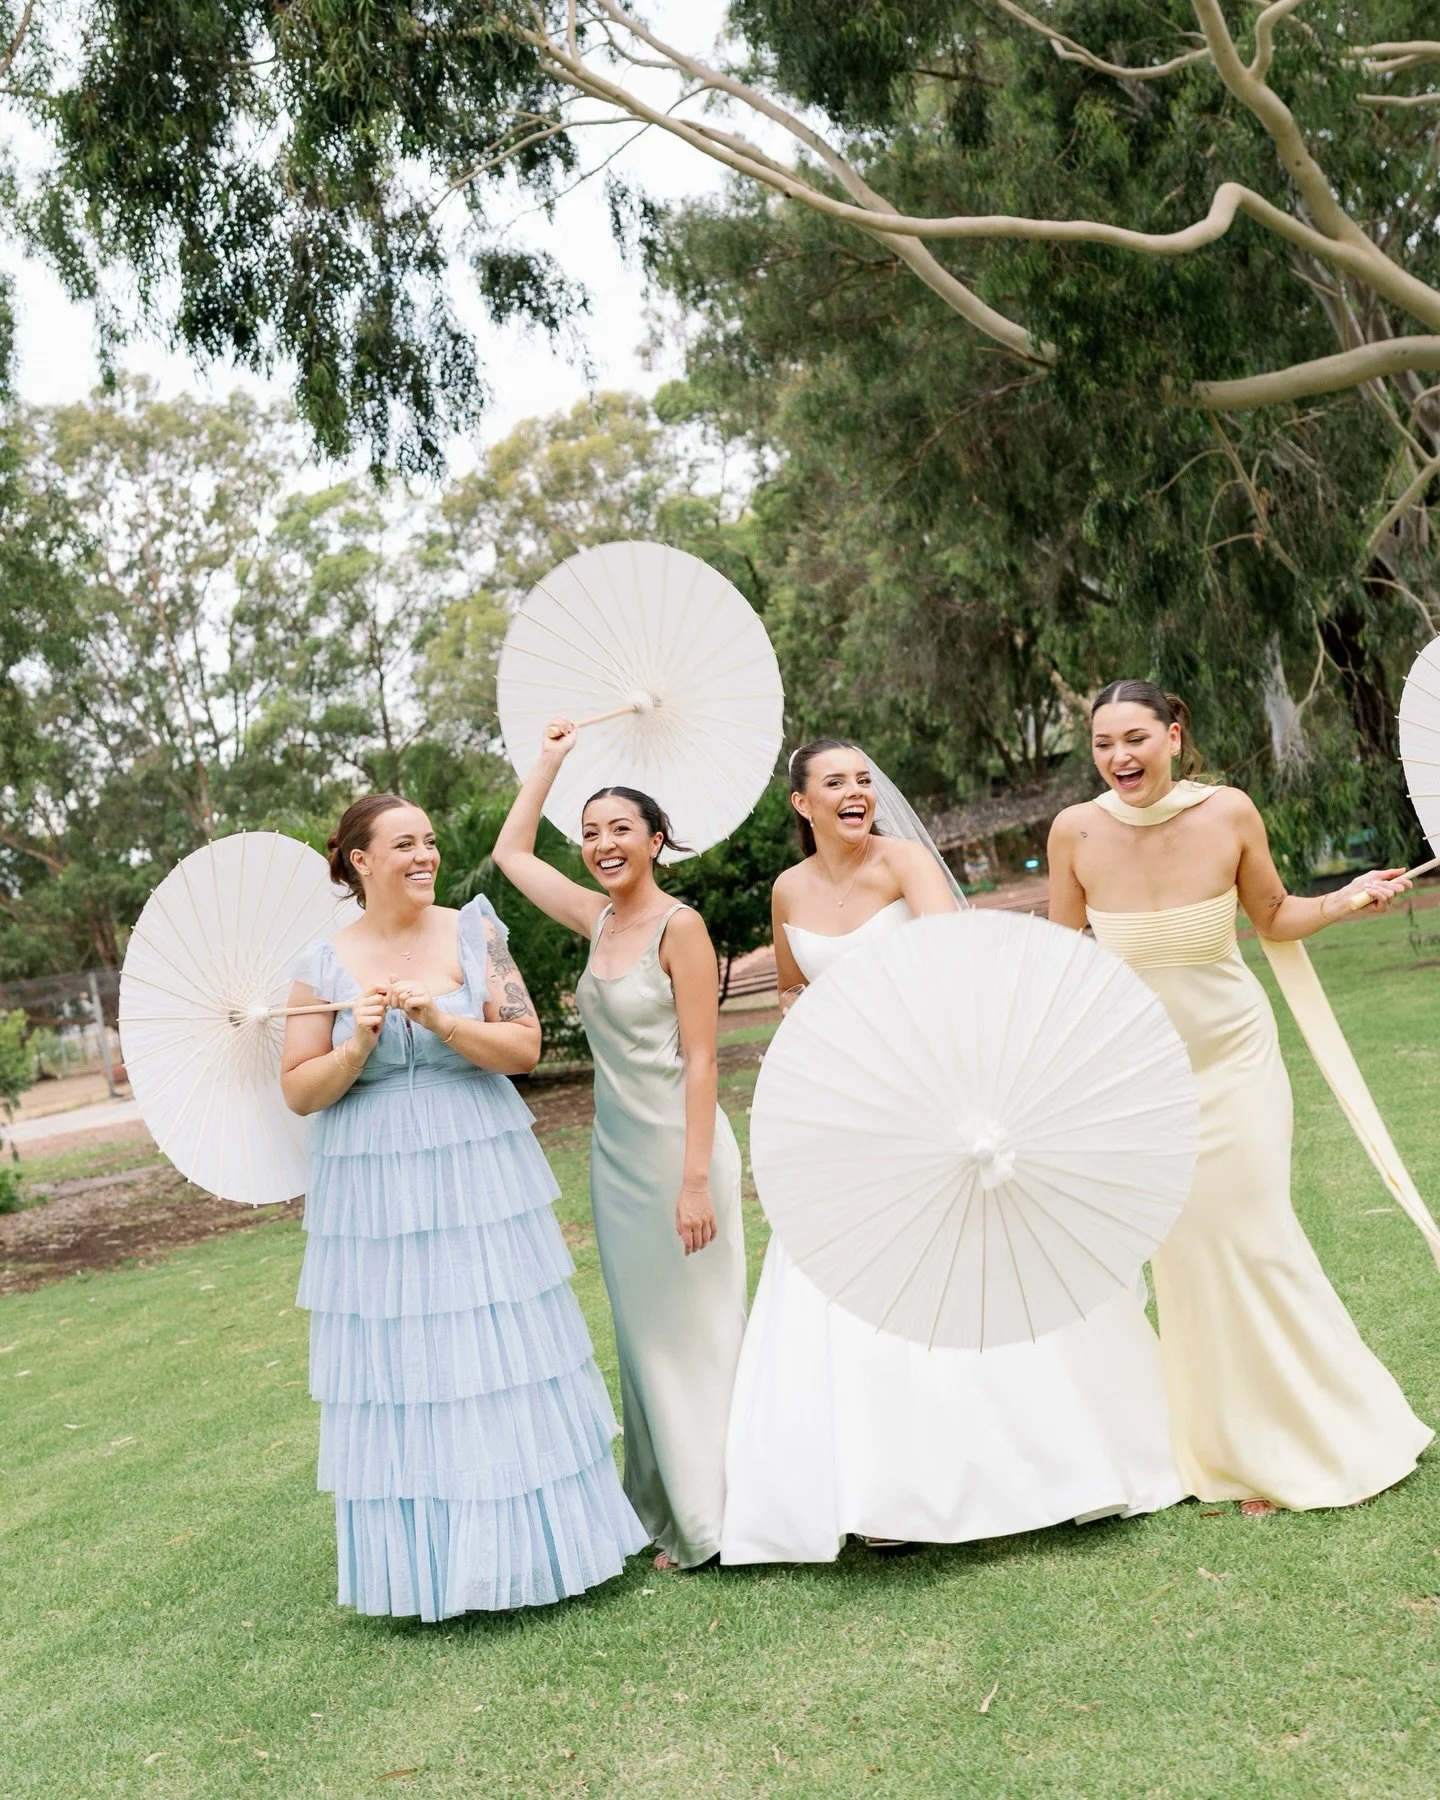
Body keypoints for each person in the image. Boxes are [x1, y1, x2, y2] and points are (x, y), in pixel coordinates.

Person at [720, 740, 1185, 1565]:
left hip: (925, 1087)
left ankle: (1052, 1466)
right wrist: (809, 1017)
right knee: (854, 1285)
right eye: (836, 784)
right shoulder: (788, 889)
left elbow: (954, 964)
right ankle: (888, 1491)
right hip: (846, 1108)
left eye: (864, 779)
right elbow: (794, 991)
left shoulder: (903, 864)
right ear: (802, 804)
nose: (856, 792)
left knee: (963, 1267)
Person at [1047, 680, 1433, 1512]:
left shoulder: (1228, 813)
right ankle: (1221, 1450)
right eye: (1105, 743)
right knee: (1183, 1256)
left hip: (1234, 1058)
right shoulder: (1073, 831)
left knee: (1254, 1234)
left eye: (1138, 738)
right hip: (1137, 1075)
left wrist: (1349, 895)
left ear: (1175, 736)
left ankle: (1310, 1435)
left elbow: (1275, 915)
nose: (1120, 757)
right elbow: (1061, 960)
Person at [281, 794, 646, 1619]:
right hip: (370, 1179)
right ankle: (430, 1568)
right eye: (403, 845)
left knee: (498, 1343)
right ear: (358, 860)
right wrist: (357, 1045)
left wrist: (441, 1022)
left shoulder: (472, 931)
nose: (425, 856)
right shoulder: (319, 963)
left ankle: (529, 1552)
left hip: (478, 1159)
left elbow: (522, 1047)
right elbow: (301, 1091)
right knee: (407, 1361)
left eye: (431, 842)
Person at [493, 722, 747, 1572]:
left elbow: (703, 1059)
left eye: (620, 830)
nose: (603, 844)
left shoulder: (681, 924)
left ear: (656, 840)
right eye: (591, 833)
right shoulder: (596, 920)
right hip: (617, 1162)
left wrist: (697, 1183)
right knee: (644, 1339)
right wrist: (552, 763)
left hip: (684, 1155)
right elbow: (511, 853)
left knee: (699, 1331)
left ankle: (720, 1516)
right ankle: (666, 1508)